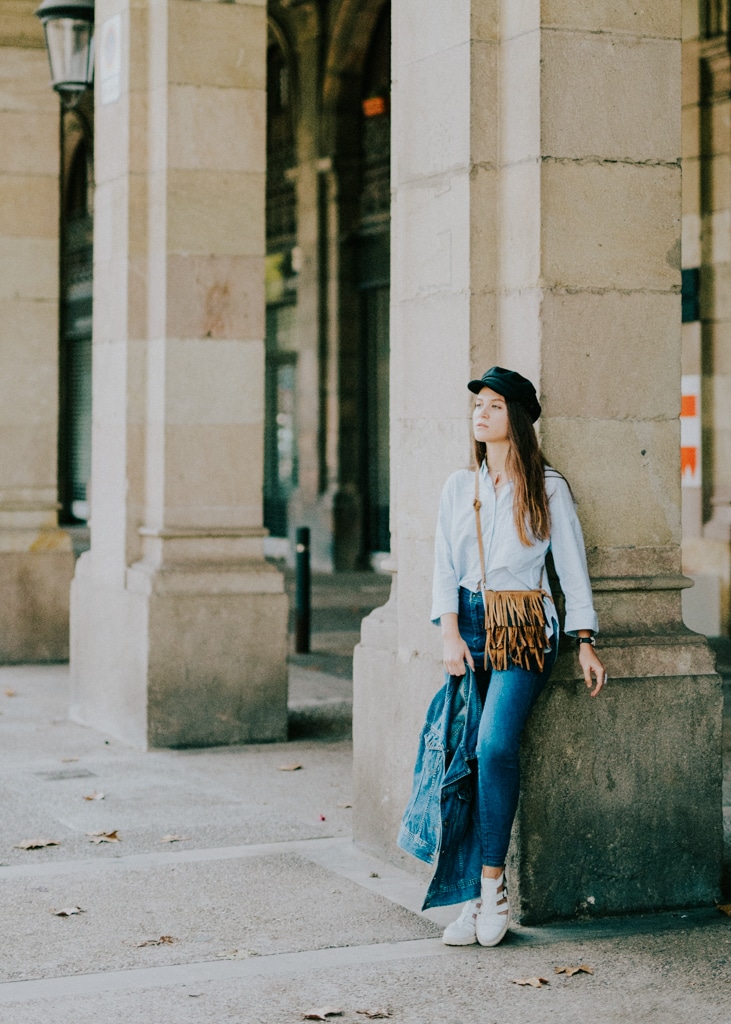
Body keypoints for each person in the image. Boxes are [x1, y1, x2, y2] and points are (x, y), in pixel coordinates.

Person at [401, 366, 606, 949]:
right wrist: (448, 634)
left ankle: (492, 888)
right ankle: (469, 898)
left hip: (522, 627)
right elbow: (442, 564)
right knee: (464, 756)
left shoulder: (548, 487)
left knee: (494, 747)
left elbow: (571, 569)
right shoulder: (456, 487)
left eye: (493, 405)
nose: (481, 413)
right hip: (468, 623)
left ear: (515, 416)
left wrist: (584, 641)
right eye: (477, 405)